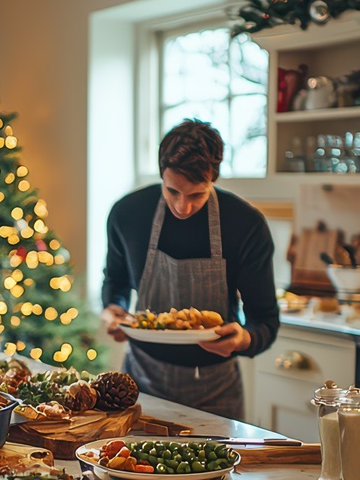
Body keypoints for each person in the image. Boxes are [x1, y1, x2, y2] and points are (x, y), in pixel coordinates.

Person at [101, 119, 279, 420]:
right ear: (161, 175)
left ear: (214, 179)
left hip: (215, 391)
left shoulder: (246, 225)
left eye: (196, 194)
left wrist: (243, 339)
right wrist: (113, 309)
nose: (183, 207)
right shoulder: (127, 214)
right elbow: (115, 282)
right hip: (139, 384)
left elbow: (265, 322)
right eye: (172, 191)